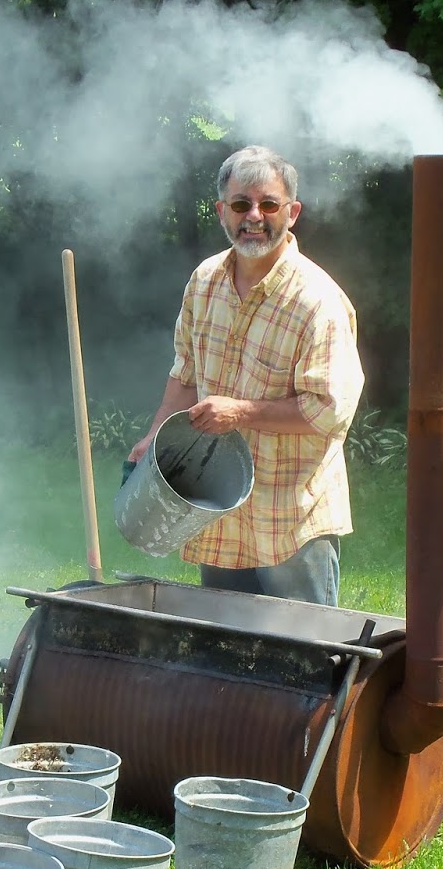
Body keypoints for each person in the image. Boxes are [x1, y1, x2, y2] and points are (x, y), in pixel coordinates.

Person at [127, 145, 364, 606]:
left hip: (290, 517)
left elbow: (328, 413)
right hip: (215, 505)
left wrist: (238, 412)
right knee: (225, 651)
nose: (254, 216)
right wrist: (155, 434)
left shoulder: (318, 302)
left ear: (292, 212)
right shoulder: (204, 281)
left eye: (269, 204)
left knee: (306, 656)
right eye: (241, 204)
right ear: (221, 211)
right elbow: (185, 373)